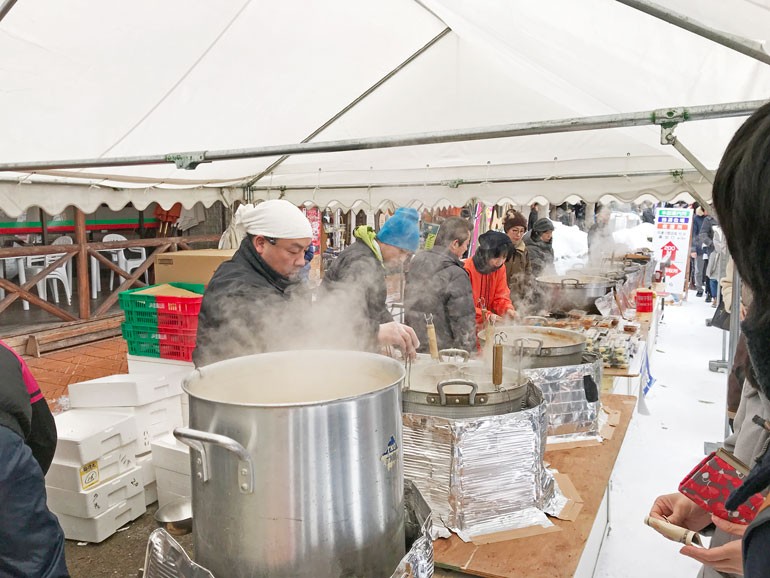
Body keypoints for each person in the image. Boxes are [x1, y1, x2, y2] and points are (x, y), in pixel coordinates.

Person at [193, 200, 314, 367]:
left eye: (305, 251)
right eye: (293, 251)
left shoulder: (281, 276)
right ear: (261, 243)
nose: (301, 261)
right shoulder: (234, 288)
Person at [0, 342, 69, 577]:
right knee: (33, 562)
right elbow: (44, 437)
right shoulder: (5, 352)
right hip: (4, 453)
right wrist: (21, 489)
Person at [322, 207, 421, 359]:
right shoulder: (361, 261)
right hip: (335, 353)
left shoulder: (373, 259)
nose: (402, 260)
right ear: (388, 241)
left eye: (407, 255)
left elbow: (376, 308)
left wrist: (396, 332)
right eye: (401, 251)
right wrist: (376, 333)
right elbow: (344, 319)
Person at [403, 217, 475, 353]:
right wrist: (468, 354)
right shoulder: (457, 274)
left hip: (415, 344)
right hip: (443, 351)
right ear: (454, 244)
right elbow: (463, 323)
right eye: (466, 244)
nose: (466, 249)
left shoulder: (416, 262)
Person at [464, 231, 516, 332]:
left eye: (504, 257)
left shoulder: (500, 268)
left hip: (488, 329)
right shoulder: (466, 269)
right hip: (467, 329)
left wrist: (507, 309)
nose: (500, 262)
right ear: (485, 254)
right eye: (496, 257)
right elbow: (464, 307)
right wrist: (487, 316)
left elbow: (501, 296)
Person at [503, 211, 533, 308]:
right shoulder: (499, 249)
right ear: (507, 230)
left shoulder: (524, 250)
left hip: (518, 301)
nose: (518, 235)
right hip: (501, 300)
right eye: (515, 230)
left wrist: (527, 298)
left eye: (521, 231)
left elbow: (528, 275)